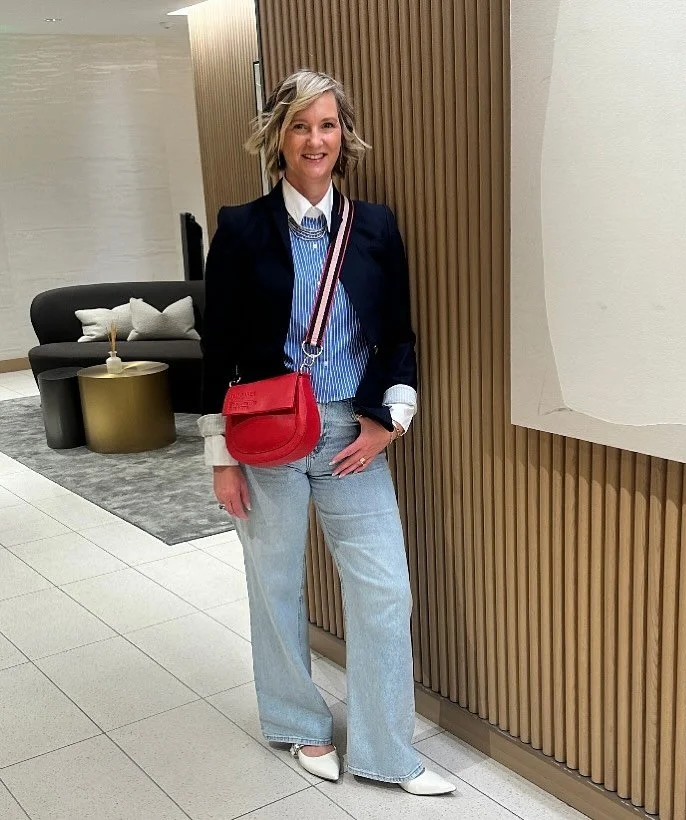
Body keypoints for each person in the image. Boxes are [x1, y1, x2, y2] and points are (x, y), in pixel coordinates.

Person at [197, 69, 455, 796]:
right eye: (301, 126)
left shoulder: (374, 226)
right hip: (266, 435)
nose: (316, 140)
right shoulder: (241, 227)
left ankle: (385, 750)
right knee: (274, 582)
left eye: (328, 125)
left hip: (352, 433)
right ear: (278, 137)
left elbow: (398, 337)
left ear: (345, 137)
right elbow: (218, 350)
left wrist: (387, 424)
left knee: (383, 590)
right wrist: (220, 459)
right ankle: (298, 721)